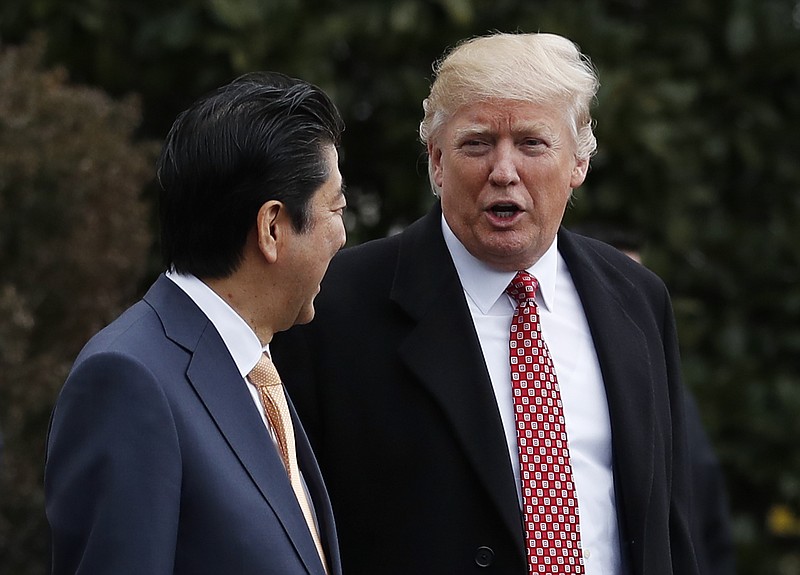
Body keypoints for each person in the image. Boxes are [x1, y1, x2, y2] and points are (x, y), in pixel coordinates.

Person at [272, 32, 699, 574]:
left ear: (578, 164)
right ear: (436, 161)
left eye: (532, 143)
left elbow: (670, 523)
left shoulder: (636, 298)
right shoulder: (335, 306)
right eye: (476, 143)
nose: (503, 170)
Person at [45, 71, 347, 575]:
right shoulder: (129, 380)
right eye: (336, 207)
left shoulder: (251, 365)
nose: (342, 235)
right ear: (272, 227)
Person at [572, 223, 737, 575]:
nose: (632, 302)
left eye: (639, 282)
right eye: (616, 284)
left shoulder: (663, 385)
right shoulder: (540, 382)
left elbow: (706, 514)